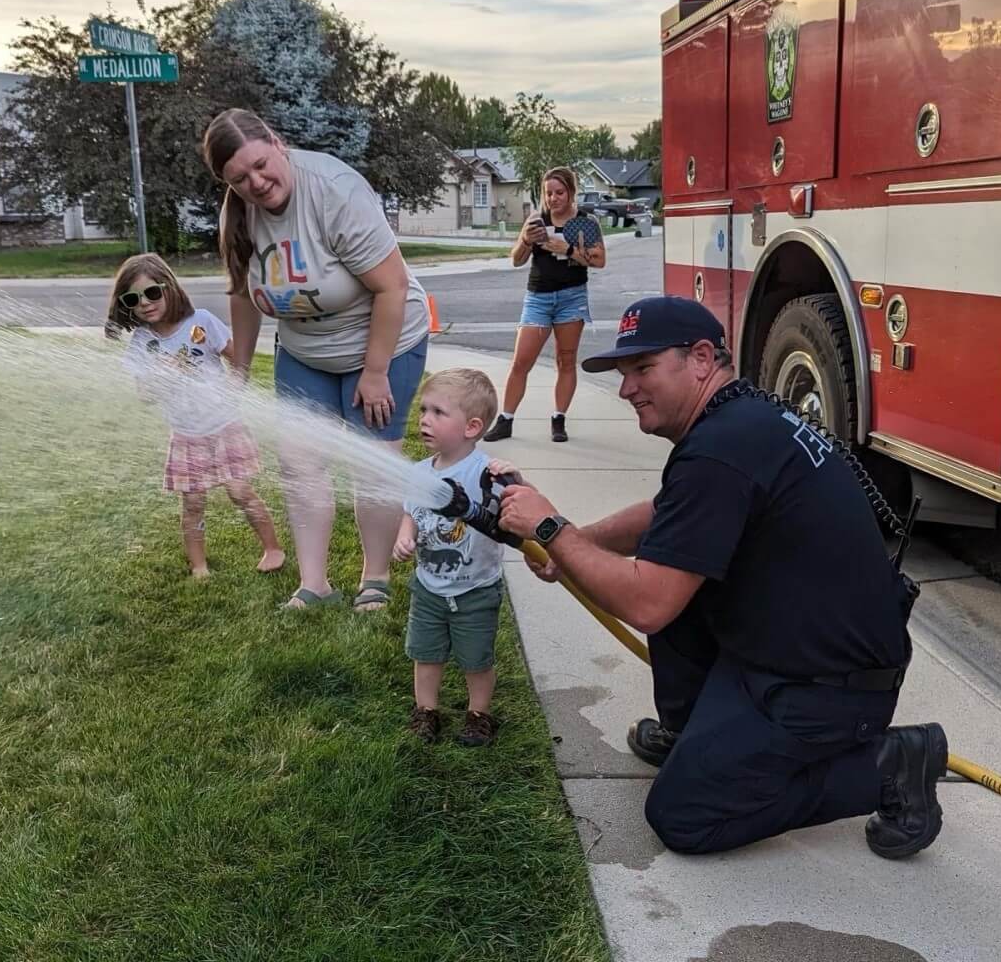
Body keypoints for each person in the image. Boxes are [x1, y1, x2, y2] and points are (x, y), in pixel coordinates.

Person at [497, 295, 948, 859]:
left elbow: (647, 604)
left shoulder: (719, 448)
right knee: (676, 565)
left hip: (828, 689)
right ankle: (702, 741)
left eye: (643, 369)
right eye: (623, 373)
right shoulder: (741, 421)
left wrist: (550, 527)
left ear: (702, 357)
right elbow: (671, 516)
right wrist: (577, 542)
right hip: (800, 648)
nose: (627, 388)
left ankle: (890, 766)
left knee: (683, 816)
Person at [202, 109, 430, 612]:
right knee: (299, 462)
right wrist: (237, 372)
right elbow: (243, 293)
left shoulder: (333, 189)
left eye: (261, 165)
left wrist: (374, 373)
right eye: (239, 179)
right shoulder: (237, 213)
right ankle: (314, 585)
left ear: (278, 143)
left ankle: (375, 578)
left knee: (373, 462)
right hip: (304, 348)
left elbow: (391, 287)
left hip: (384, 337)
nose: (257, 183)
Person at [106, 253, 284, 581]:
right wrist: (160, 377)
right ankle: (199, 565)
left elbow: (237, 360)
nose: (145, 303)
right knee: (193, 503)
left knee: (240, 492)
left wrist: (232, 389)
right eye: (134, 298)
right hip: (186, 435)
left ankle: (273, 548)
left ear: (169, 288)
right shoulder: (142, 343)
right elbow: (144, 395)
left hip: (223, 426)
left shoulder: (200, 322)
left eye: (152, 293)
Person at [393, 368, 504, 746]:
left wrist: (515, 480)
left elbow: (518, 512)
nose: (424, 419)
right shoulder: (419, 472)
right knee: (426, 654)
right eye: (423, 410)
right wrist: (405, 536)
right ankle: (426, 711)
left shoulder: (485, 472)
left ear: (471, 427)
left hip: (475, 589)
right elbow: (411, 511)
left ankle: (479, 714)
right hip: (427, 587)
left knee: (477, 660)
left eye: (438, 412)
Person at [483, 167, 606, 445]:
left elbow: (599, 260)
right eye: (548, 193)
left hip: (571, 297)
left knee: (565, 360)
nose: (553, 198)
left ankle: (558, 418)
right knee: (521, 361)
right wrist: (526, 240)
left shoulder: (586, 222)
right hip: (538, 297)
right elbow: (516, 259)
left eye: (559, 192)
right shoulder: (537, 219)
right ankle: (506, 419)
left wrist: (569, 250)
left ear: (571, 192)